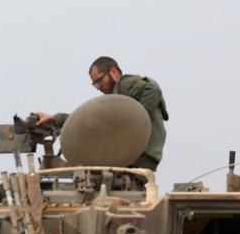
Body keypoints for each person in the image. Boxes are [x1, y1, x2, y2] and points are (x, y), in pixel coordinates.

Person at [35, 56, 168, 171]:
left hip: (142, 154)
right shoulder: (117, 100)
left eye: (99, 81)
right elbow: (89, 119)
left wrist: (134, 119)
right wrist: (55, 118)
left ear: (114, 72)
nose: (99, 88)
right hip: (138, 156)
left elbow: (153, 90)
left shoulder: (125, 84)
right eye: (95, 85)